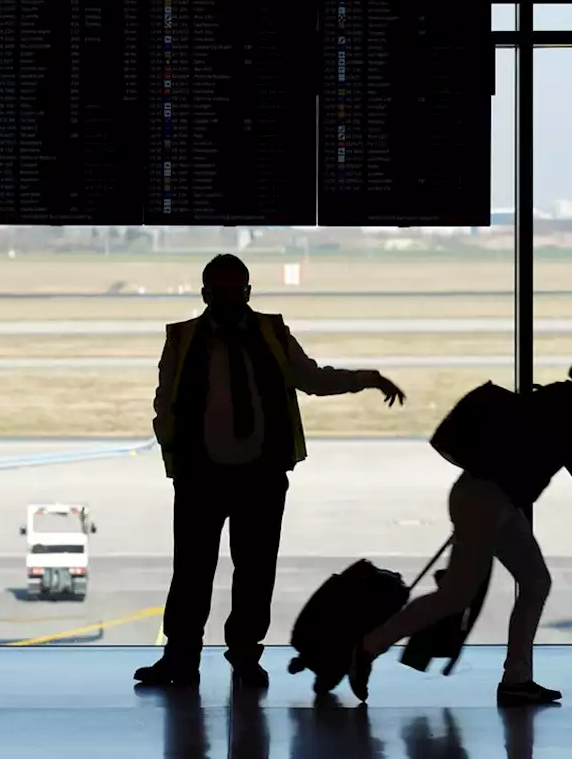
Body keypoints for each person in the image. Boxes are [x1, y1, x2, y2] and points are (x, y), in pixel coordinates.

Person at [134, 253, 407, 689]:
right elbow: (164, 401)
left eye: (235, 290)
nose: (228, 299)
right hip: (200, 476)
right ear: (204, 294)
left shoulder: (272, 333)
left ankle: (244, 657)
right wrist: (177, 452)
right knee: (191, 572)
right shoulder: (183, 338)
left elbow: (312, 379)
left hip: (260, 476)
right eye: (219, 292)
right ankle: (181, 659)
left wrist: (366, 378)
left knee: (255, 573)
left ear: (248, 291)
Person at [347, 346, 572, 706]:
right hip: (485, 503)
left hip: (492, 502)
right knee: (459, 594)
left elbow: (569, 457)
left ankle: (517, 679)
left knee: (533, 582)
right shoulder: (564, 406)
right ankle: (366, 648)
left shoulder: (563, 401)